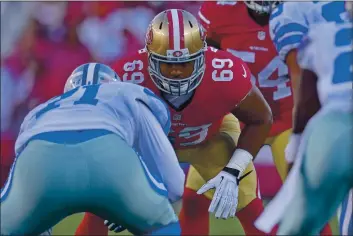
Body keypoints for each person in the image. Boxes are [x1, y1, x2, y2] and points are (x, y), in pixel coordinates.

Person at [76, 9, 273, 236]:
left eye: (185, 63)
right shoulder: (127, 76)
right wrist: (123, 187)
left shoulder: (225, 73)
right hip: (150, 152)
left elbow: (261, 119)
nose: (177, 72)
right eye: (167, 64)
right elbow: (110, 136)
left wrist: (233, 170)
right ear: (149, 58)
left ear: (202, 56)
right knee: (102, 205)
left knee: (253, 213)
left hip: (211, 141)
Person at [0, 63, 185, 235]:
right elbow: (174, 185)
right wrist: (139, 203)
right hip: (106, 151)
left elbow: (23, 169)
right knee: (163, 225)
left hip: (37, 157)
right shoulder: (127, 92)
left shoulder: (42, 109)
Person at [196, 1, 293, 234]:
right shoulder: (219, 11)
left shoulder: (299, 13)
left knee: (309, 202)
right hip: (237, 120)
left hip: (287, 118)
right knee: (194, 199)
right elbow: (205, 65)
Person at [256, 3, 353, 234]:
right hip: (333, 121)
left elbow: (304, 92)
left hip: (333, 124)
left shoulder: (320, 31)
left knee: (300, 223)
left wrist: (297, 144)